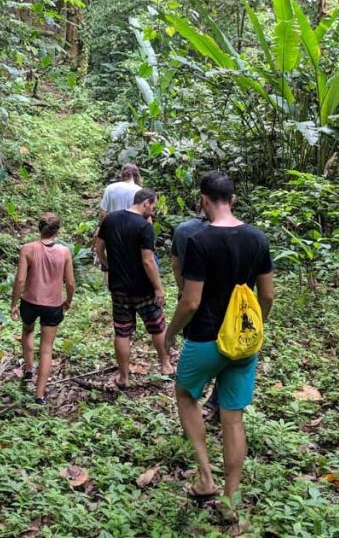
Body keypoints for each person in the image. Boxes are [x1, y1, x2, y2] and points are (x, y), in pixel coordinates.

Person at [164, 171, 274, 529]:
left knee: (185, 394)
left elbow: (191, 301)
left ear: (202, 200)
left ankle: (205, 477)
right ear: (234, 199)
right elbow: (268, 295)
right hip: (242, 342)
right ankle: (230, 499)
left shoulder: (198, 240)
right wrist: (257, 327)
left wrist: (169, 333)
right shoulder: (257, 238)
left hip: (205, 339)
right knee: (233, 418)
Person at [94, 188, 174, 387]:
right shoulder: (144, 226)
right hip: (143, 288)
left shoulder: (110, 220)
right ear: (145, 203)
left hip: (119, 287)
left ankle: (123, 377)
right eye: (153, 207)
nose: (153, 212)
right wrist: (158, 287)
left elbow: (98, 247)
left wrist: (107, 265)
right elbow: (148, 261)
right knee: (157, 326)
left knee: (122, 332)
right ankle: (165, 365)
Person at [10, 213, 75, 405]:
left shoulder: (27, 249)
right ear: (58, 231)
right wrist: (68, 300)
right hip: (53, 305)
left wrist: (14, 303)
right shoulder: (64, 252)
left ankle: (29, 369)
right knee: (46, 349)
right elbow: (70, 282)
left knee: (27, 330)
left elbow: (20, 279)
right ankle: (39, 395)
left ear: (39, 228)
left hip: (29, 302)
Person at [171, 210, 219, 420]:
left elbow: (175, 264)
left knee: (195, 350)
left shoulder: (183, 230)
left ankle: (195, 406)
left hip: (193, 303)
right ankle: (216, 400)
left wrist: (183, 290)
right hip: (230, 307)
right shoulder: (242, 233)